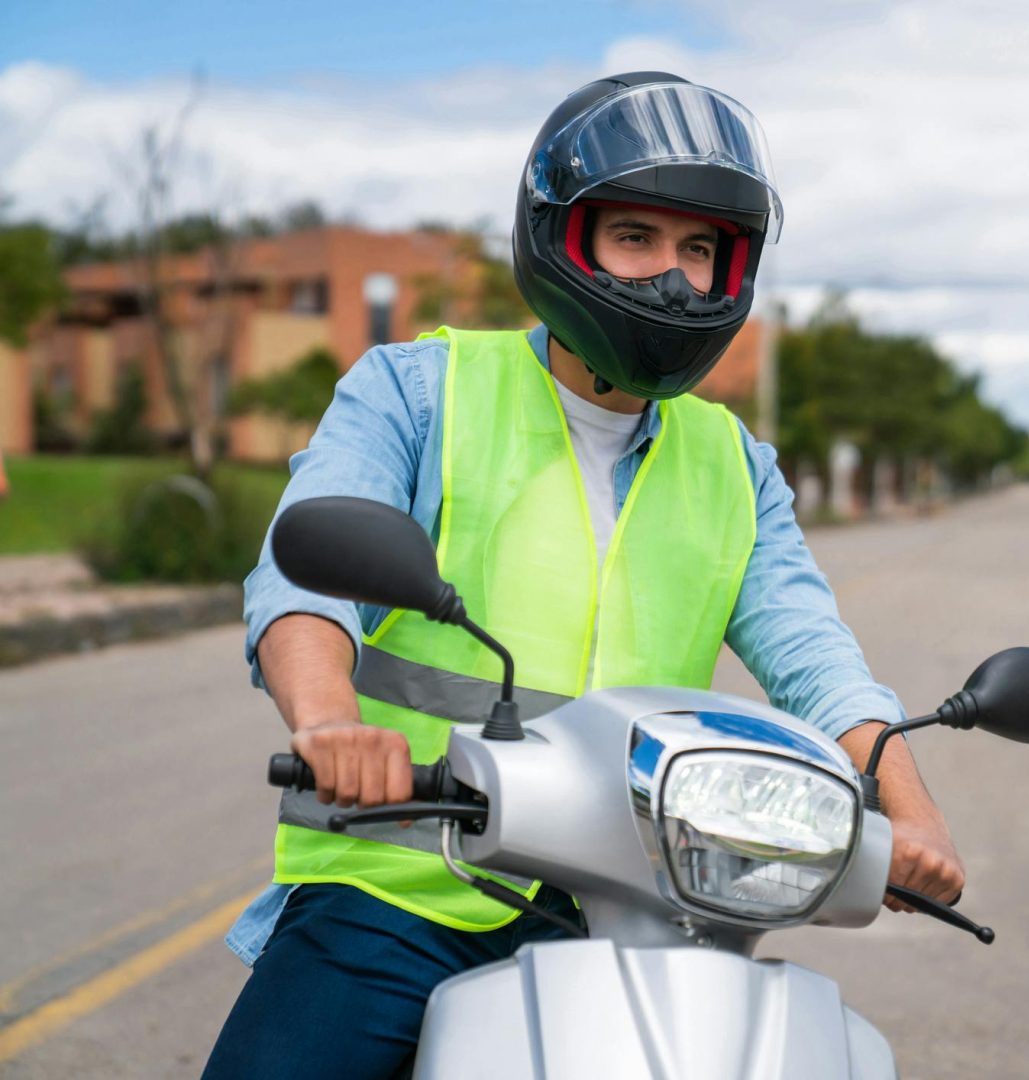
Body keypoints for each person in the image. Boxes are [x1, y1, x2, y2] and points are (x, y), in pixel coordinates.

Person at [204, 72, 965, 1077]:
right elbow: (303, 576)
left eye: (699, 250)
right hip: (400, 896)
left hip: (635, 910)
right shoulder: (421, 392)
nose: (673, 279)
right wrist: (329, 724)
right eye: (636, 237)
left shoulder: (735, 465)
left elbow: (814, 657)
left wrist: (910, 812)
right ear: (562, 237)